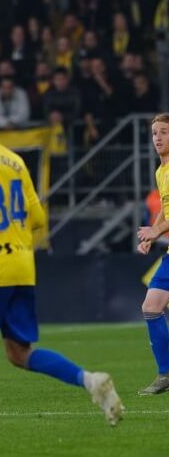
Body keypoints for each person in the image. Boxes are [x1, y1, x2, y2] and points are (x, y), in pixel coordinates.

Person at [0, 88, 123, 452]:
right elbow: (38, 218)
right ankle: (90, 381)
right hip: (22, 265)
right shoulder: (13, 159)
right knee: (19, 353)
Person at [136, 113, 169, 395]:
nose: (157, 138)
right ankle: (165, 373)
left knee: (153, 306)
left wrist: (156, 232)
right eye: (155, 133)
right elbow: (164, 210)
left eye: (164, 132)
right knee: (152, 306)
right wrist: (153, 232)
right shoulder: (161, 171)